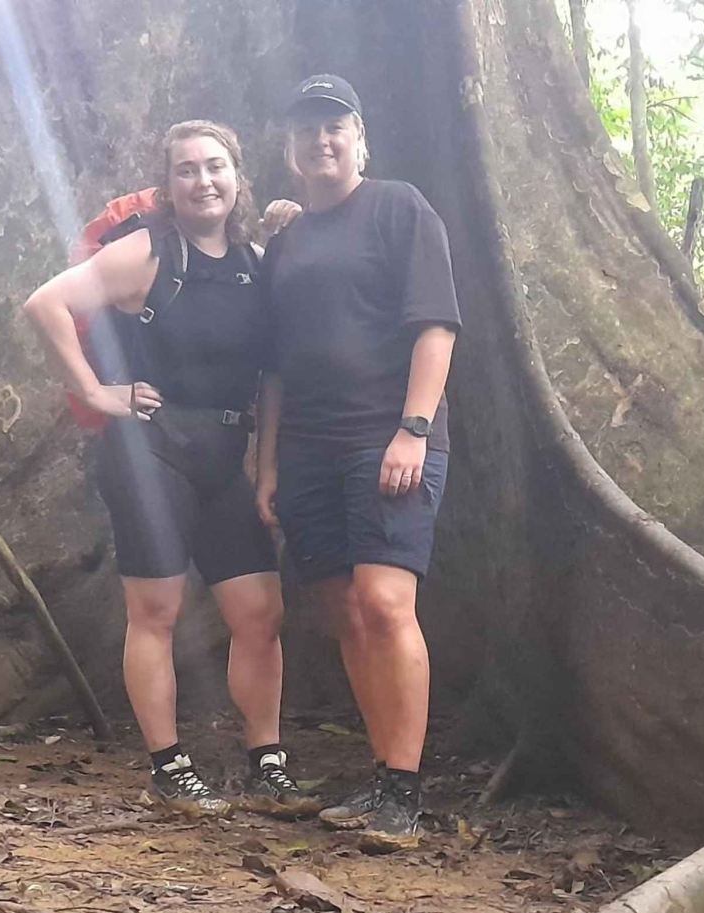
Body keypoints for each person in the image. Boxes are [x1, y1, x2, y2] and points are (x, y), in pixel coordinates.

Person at [24, 120, 319, 819]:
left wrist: (266, 468)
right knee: (155, 611)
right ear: (168, 184)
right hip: (149, 450)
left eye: (215, 166)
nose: (203, 181)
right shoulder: (150, 251)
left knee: (260, 613)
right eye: (186, 170)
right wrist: (98, 392)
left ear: (238, 176)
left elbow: (273, 375)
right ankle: (170, 766)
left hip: (223, 455)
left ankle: (267, 761)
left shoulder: (254, 260)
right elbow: (45, 304)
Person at [256, 75, 461, 851]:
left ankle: (404, 790)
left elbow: (435, 325)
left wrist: (414, 427)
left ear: (359, 139)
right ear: (291, 150)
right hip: (308, 447)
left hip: (387, 435)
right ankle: (381, 772)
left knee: (384, 601)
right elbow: (274, 368)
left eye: (334, 126)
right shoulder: (286, 242)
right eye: (307, 129)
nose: (322, 139)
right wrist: (267, 467)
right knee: (343, 610)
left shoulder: (400, 208)